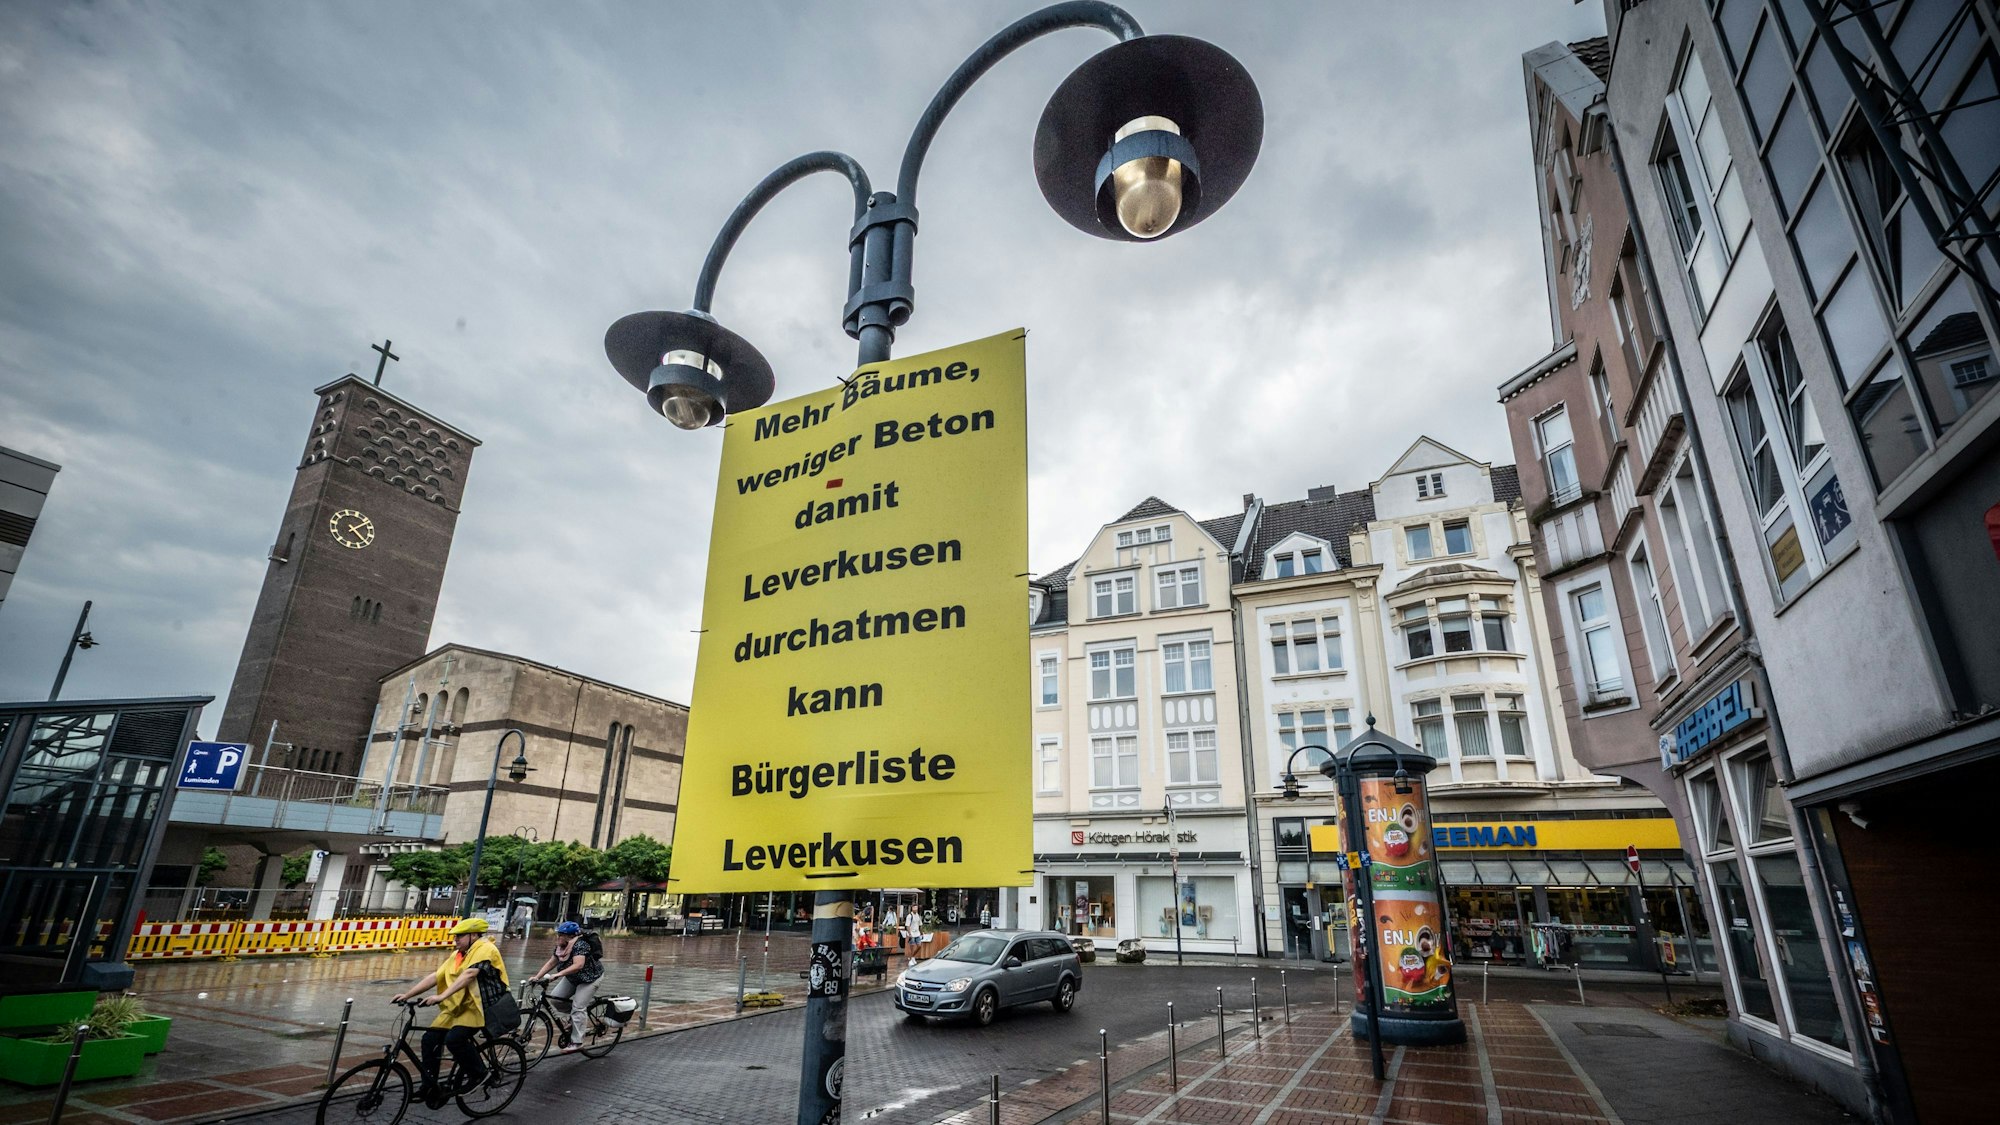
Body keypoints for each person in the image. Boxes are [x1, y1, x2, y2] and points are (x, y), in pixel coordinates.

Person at [390, 917, 504, 1104]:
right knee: (429, 1039)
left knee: (454, 1040)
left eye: (459, 936)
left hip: (478, 1007)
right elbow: (436, 976)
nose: (455, 940)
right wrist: (408, 994)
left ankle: (480, 1074)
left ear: (474, 935)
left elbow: (469, 975)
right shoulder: (458, 954)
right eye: (455, 936)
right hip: (456, 1007)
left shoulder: (486, 949)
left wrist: (441, 997)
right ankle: (429, 1085)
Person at [528, 921, 602, 1050]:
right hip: (572, 978)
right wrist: (537, 977)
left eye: (561, 935)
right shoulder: (560, 946)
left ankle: (577, 1042)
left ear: (569, 936)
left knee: (578, 1007)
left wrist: (558, 975)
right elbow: (552, 963)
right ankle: (576, 1018)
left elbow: (578, 965)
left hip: (590, 979)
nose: (558, 937)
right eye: (558, 934)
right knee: (556, 999)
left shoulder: (580, 944)